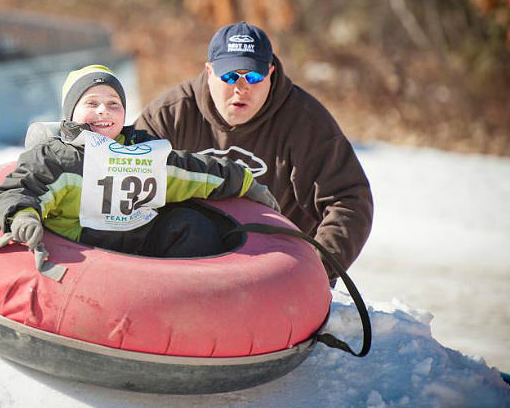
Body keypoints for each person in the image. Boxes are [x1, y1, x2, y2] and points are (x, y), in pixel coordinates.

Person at [134, 22, 373, 279]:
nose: (241, 87)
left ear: (270, 73)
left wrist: (314, 270)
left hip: (275, 265)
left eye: (254, 77)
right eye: (229, 76)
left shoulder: (305, 121)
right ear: (209, 71)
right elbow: (124, 184)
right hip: (185, 258)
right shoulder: (170, 116)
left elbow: (349, 200)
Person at [0, 64, 280, 258]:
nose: (104, 111)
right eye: (92, 104)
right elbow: (20, 189)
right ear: (70, 114)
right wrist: (23, 216)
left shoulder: (142, 153)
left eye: (113, 104)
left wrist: (244, 181)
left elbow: (192, 171)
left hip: (141, 243)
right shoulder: (56, 158)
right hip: (82, 250)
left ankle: (194, 295)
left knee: (191, 225)